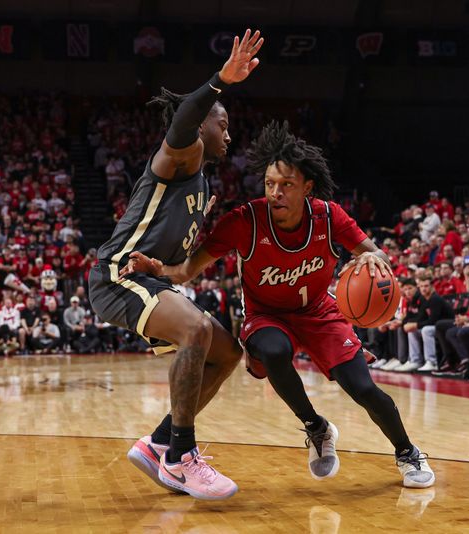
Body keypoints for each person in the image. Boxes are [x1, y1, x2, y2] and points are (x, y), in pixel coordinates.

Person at [124, 121, 435, 489]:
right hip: (266, 316)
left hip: (320, 312)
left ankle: (407, 451)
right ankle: (316, 428)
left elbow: (374, 251)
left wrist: (374, 260)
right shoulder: (244, 221)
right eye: (270, 184)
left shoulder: (328, 215)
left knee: (362, 388)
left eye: (286, 185)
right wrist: (158, 268)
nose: (275, 192)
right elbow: (187, 270)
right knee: (273, 350)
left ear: (307, 187)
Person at [88, 29, 264, 501]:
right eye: (222, 125)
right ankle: (181, 457)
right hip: (118, 275)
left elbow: (180, 266)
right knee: (196, 331)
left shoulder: (202, 186)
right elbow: (184, 120)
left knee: (226, 353)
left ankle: (161, 441)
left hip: (148, 277)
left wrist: (163, 269)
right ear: (203, 125)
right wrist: (218, 83)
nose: (228, 134)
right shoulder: (180, 159)